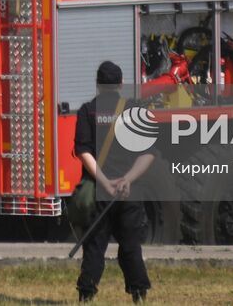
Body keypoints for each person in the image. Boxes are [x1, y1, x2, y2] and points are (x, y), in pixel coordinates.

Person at [74, 60, 154, 304]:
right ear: (121, 84)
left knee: (95, 246)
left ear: (98, 84)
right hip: (128, 192)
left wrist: (105, 183)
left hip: (100, 190)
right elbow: (148, 153)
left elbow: (83, 152)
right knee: (131, 245)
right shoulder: (135, 110)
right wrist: (127, 180)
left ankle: (86, 295)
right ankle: (139, 295)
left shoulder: (87, 111)